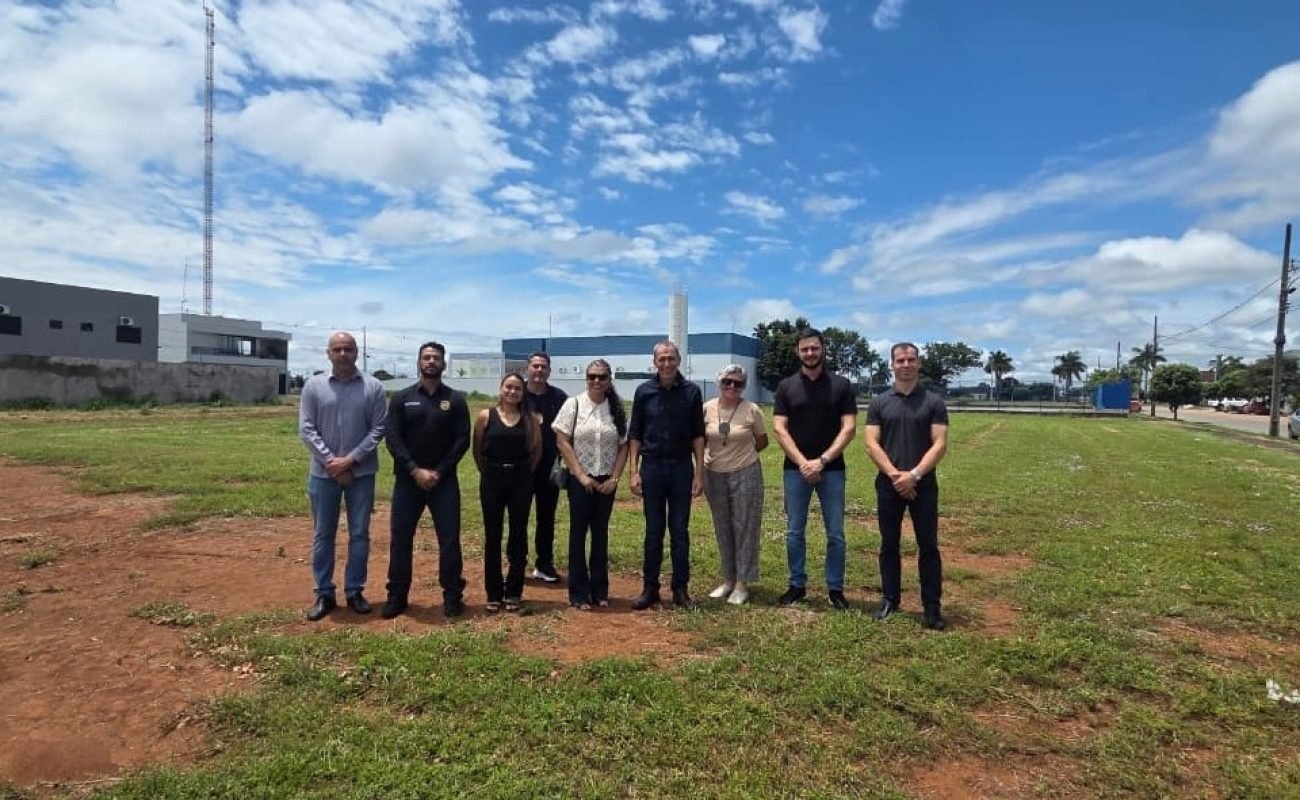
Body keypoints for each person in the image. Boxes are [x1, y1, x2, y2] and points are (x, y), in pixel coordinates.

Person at [298, 331, 387, 621]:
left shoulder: (373, 387)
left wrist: (350, 460)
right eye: (337, 349)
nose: (343, 354)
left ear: (357, 352)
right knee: (323, 533)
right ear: (328, 354)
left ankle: (354, 590)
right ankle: (324, 592)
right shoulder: (313, 386)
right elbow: (307, 429)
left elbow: (378, 429)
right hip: (323, 476)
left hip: (361, 474)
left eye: (348, 349)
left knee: (359, 533)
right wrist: (331, 463)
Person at [864, 342, 950, 630]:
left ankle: (932, 607)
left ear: (919, 363)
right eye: (900, 360)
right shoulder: (879, 402)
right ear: (892, 364)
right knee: (889, 544)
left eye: (911, 359)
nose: (906, 364)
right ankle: (890, 599)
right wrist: (895, 476)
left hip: (923, 485)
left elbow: (939, 445)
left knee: (928, 546)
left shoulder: (934, 402)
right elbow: (871, 443)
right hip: (889, 484)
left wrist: (913, 475)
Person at [382, 341, 471, 619]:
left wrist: (439, 471)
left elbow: (461, 441)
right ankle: (397, 596)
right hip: (408, 482)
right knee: (400, 539)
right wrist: (414, 470)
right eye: (426, 357)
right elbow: (393, 439)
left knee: (449, 540)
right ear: (418, 362)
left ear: (444, 364)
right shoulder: (401, 398)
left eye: (436, 358)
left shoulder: (455, 400)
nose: (431, 361)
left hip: (444, 482)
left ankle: (452, 596)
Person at [771, 327, 858, 610]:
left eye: (814, 348)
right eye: (805, 349)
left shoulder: (841, 385)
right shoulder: (786, 387)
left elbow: (849, 428)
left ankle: (835, 589)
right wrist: (802, 463)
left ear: (823, 350)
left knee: (836, 533)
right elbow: (780, 429)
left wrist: (821, 461)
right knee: (795, 531)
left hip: (832, 470)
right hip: (795, 470)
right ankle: (797, 585)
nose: (810, 353)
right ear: (798, 352)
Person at [627, 340, 705, 610]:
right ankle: (650, 588)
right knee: (653, 531)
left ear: (679, 360)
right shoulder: (643, 392)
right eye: (662, 359)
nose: (667, 363)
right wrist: (633, 471)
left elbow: (698, 436)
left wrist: (700, 474)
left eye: (671, 358)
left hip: (682, 468)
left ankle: (680, 589)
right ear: (654, 362)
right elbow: (635, 433)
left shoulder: (692, 392)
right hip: (652, 468)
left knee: (680, 531)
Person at [553, 359, 628, 610]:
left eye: (602, 377)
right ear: (586, 378)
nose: (596, 381)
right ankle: (578, 592)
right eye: (592, 376)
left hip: (606, 480)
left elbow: (623, 445)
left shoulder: (615, 409)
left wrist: (614, 479)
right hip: (580, 481)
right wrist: (580, 474)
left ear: (609, 380)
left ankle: (600, 590)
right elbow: (562, 440)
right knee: (578, 535)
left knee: (600, 535)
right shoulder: (573, 404)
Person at [472, 373, 541, 613]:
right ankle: (493, 592)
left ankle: (513, 591)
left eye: (518, 389)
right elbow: (477, 450)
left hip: (521, 480)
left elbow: (536, 453)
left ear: (523, 393)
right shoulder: (485, 416)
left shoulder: (530, 420)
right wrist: (491, 471)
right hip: (492, 479)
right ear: (501, 389)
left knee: (518, 535)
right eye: (508, 387)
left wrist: (519, 472)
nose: (512, 392)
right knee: (493, 536)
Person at [702, 364, 768, 605]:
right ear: (719, 383)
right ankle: (728, 579)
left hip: (745, 473)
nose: (732, 387)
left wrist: (742, 455)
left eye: (738, 383)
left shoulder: (752, 410)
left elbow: (762, 441)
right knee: (723, 526)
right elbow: (699, 440)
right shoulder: (706, 409)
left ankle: (742, 583)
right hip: (714, 475)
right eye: (727, 382)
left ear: (744, 386)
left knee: (745, 527)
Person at [522, 352, 568, 584]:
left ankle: (544, 564)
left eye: (543, 366)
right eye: (535, 366)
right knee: (518, 517)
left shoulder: (559, 397)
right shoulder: (517, 393)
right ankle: (516, 563)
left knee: (546, 518)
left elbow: (568, 430)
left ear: (549, 370)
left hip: (549, 469)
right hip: (520, 469)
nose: (539, 370)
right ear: (527, 368)